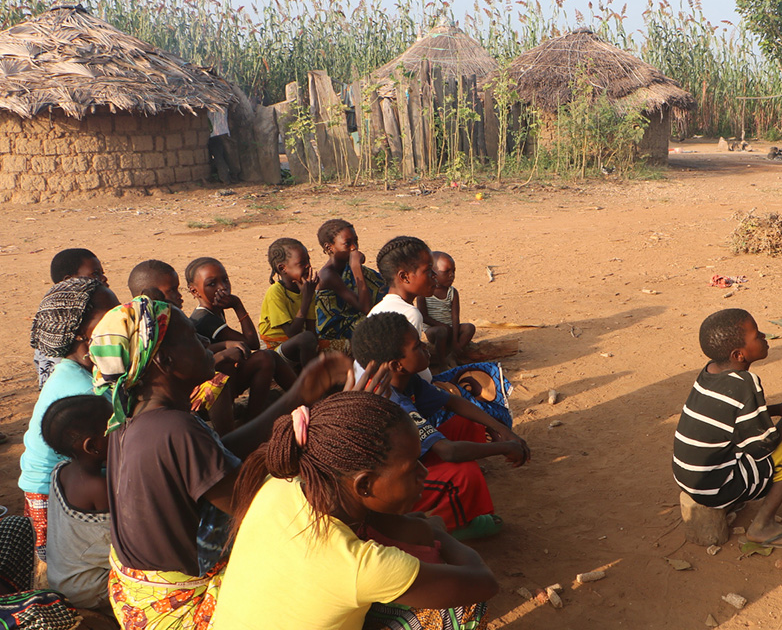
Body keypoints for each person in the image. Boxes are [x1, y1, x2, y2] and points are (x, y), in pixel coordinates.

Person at [91, 296, 376, 629]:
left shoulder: (133, 420)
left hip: (140, 600)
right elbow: (263, 510)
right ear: (165, 361)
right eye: (191, 336)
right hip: (186, 609)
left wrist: (300, 394)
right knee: (336, 569)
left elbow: (221, 455)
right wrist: (345, 421)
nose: (204, 341)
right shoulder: (174, 430)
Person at [210, 392, 499, 630]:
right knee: (462, 606)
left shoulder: (282, 483)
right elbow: (483, 582)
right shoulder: (359, 565)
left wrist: (415, 527)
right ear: (363, 485)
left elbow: (379, 519)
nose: (424, 473)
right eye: (412, 467)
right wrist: (440, 534)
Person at [351, 312, 530, 539]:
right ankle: (449, 527)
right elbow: (449, 451)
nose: (426, 347)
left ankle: (460, 499)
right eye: (417, 346)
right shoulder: (392, 401)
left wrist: (502, 429)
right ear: (397, 364)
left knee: (465, 423)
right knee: (464, 474)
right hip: (385, 487)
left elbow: (453, 401)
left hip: (407, 458)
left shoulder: (407, 380)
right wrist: (504, 447)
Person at [673, 308, 782, 549]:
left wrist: (778, 408)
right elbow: (764, 445)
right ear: (739, 355)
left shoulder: (710, 372)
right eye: (757, 335)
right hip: (714, 488)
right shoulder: (745, 383)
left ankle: (737, 497)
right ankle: (763, 525)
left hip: (688, 478)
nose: (764, 336)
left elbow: (732, 416)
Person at [19, 277, 119, 561]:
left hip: (58, 484)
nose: (119, 321)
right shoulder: (84, 392)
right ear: (80, 333)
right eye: (109, 316)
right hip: (55, 500)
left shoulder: (77, 369)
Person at [186, 256, 297, 426]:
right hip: (209, 394)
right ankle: (257, 418)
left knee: (266, 358)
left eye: (225, 280)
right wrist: (238, 305)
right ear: (194, 291)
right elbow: (251, 342)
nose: (222, 287)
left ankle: (292, 400)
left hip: (221, 384)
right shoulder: (204, 319)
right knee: (265, 359)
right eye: (212, 284)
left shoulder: (213, 311)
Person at [41, 394, 112, 612]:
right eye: (114, 426)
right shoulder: (97, 488)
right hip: (89, 589)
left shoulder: (60, 470)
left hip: (62, 578)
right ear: (92, 446)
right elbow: (123, 543)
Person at [32, 248, 108, 390]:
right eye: (95, 274)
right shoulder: (61, 328)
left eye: (102, 273)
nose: (104, 279)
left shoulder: (51, 320)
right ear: (69, 281)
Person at [367, 236, 437, 382]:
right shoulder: (410, 314)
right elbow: (410, 371)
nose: (435, 276)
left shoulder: (379, 308)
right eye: (429, 271)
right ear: (405, 277)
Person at [315, 219, 386, 354]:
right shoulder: (328, 275)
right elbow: (365, 309)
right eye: (347, 244)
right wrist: (356, 267)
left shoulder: (347, 267)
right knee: (377, 325)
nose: (354, 247)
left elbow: (382, 286)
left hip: (352, 319)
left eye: (356, 241)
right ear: (329, 247)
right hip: (335, 330)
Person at [257, 238, 320, 369]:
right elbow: (292, 333)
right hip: (275, 350)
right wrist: (306, 299)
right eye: (302, 263)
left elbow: (311, 330)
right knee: (306, 339)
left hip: (299, 345)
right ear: (282, 268)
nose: (308, 266)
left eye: (308, 260)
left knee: (345, 346)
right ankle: (309, 381)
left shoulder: (307, 290)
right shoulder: (275, 292)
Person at [417, 251, 477, 364]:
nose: (452, 275)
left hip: (450, 328)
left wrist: (455, 340)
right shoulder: (423, 292)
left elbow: (455, 317)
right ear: (433, 273)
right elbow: (423, 316)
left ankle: (453, 355)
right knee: (441, 331)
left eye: (453, 271)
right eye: (446, 272)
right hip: (433, 331)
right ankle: (442, 363)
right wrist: (442, 325)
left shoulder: (452, 292)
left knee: (469, 328)